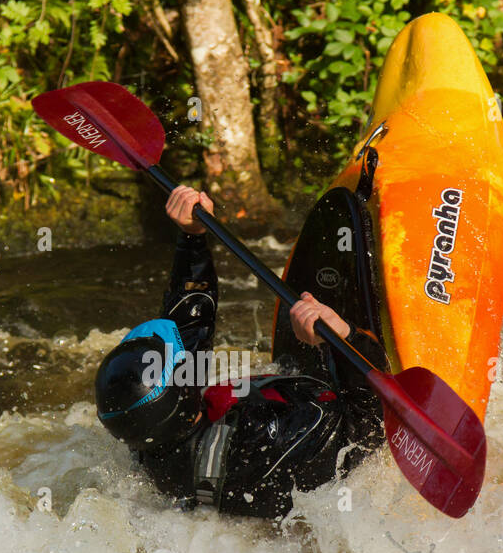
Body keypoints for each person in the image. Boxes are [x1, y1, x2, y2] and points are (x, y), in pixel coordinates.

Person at [94, 185, 386, 518]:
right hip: (329, 447)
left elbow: (190, 324)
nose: (187, 358)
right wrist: (346, 338)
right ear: (183, 391)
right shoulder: (257, 441)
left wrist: (191, 238)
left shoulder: (155, 430)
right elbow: (367, 428)